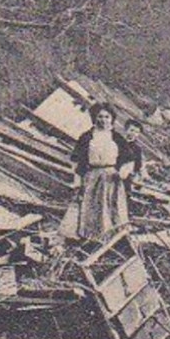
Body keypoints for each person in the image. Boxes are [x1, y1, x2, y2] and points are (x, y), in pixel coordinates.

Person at [70, 103, 131, 241]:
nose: (103, 120)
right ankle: (92, 237)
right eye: (100, 117)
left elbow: (129, 159)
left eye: (107, 117)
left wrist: (122, 172)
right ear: (95, 118)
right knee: (93, 207)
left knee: (112, 207)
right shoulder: (86, 137)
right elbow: (77, 162)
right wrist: (77, 182)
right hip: (92, 176)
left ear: (112, 119)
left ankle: (114, 236)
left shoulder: (117, 137)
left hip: (112, 177)